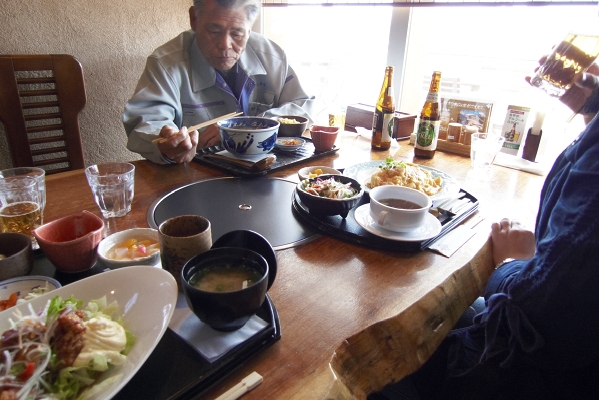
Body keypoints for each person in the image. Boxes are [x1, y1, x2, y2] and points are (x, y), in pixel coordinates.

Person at [369, 69, 599, 399]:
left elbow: (541, 315)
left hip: (530, 375)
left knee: (376, 367)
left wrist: (510, 262)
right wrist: (588, 104)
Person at [123, 0, 316, 164]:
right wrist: (167, 146)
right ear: (194, 19)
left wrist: (253, 125)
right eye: (214, 31)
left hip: (267, 169)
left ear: (250, 29)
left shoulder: (273, 56)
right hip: (195, 174)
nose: (225, 45)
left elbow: (303, 106)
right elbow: (146, 122)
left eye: (237, 34)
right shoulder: (166, 64)